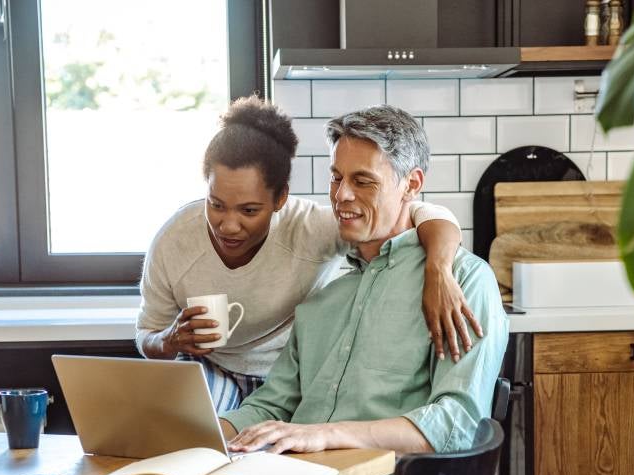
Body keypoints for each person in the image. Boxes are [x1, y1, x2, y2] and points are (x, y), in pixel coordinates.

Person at [51, 104, 507, 475]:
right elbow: (276, 399)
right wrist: (202, 435)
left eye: (363, 181)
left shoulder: (462, 282)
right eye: (337, 178)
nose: (343, 196)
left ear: (413, 186)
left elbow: (454, 422)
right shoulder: (327, 288)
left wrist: (323, 435)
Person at [133, 96, 483, 412]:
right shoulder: (174, 242)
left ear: (280, 199)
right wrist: (169, 340)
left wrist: (439, 270)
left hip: (288, 378)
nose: (228, 225)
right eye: (216, 205)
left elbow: (426, 214)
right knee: (188, 441)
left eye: (250, 210)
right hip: (214, 368)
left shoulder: (310, 228)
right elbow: (146, 333)